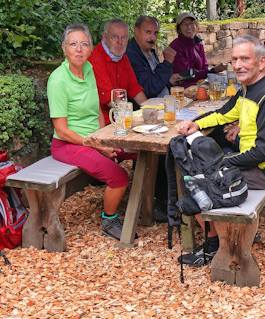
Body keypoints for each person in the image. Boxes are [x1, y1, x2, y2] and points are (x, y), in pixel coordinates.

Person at [177, 36, 265, 265]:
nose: (238, 65)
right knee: (198, 172)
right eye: (234, 60)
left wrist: (222, 164)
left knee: (195, 181)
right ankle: (224, 234)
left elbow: (261, 153)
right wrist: (196, 124)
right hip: (256, 163)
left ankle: (215, 246)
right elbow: (223, 113)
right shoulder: (247, 90)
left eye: (245, 59)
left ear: (261, 63)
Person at [47, 24, 136, 240]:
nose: (79, 49)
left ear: (90, 49)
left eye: (84, 44)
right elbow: (62, 130)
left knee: (140, 150)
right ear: (64, 48)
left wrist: (104, 139)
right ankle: (109, 219)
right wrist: (97, 145)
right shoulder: (58, 80)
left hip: (94, 139)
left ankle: (148, 201)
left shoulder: (88, 70)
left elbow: (97, 108)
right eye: (73, 44)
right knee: (119, 176)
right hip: (68, 144)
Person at [89, 19, 148, 126]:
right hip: (103, 122)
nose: (120, 42)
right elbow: (110, 99)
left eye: (124, 38)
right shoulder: (96, 58)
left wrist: (150, 111)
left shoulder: (121, 56)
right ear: (104, 37)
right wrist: (132, 119)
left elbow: (134, 88)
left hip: (120, 117)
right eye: (114, 37)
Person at [170, 12, 226, 87]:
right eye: (184, 24)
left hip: (201, 84)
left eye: (191, 23)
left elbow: (205, 67)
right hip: (184, 88)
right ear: (179, 28)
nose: (189, 27)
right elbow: (186, 74)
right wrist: (212, 71)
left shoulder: (198, 44)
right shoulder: (175, 47)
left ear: (196, 26)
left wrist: (210, 72)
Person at [126, 15, 177, 98]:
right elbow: (148, 89)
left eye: (156, 33)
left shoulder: (150, 51)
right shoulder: (130, 55)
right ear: (136, 30)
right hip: (149, 108)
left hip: (165, 104)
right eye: (148, 32)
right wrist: (167, 64)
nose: (153, 38)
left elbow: (155, 78)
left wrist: (169, 80)